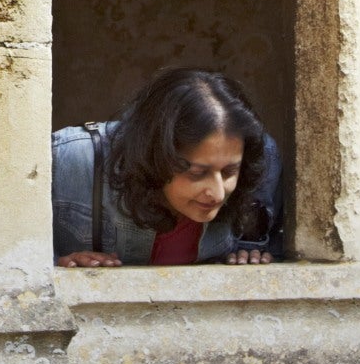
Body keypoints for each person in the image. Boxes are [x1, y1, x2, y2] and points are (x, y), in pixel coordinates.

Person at [52, 68, 283, 266]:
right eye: (197, 173)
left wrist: (248, 250)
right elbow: (18, 259)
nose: (218, 193)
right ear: (155, 156)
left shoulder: (262, 159)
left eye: (229, 172)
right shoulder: (67, 160)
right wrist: (55, 264)